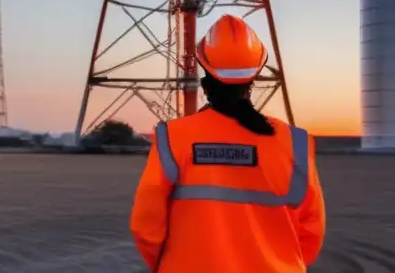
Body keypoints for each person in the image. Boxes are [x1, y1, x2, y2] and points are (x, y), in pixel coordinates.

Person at [130, 14, 326, 272]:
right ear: (253, 78)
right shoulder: (295, 143)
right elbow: (311, 231)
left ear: (205, 79)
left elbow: (146, 227)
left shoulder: (173, 138)